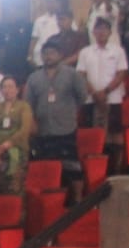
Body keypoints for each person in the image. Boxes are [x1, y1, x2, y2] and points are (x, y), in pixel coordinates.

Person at [24, 40, 90, 192]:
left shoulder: (72, 74)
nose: (48, 57)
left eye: (52, 53)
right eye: (45, 54)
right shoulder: (34, 78)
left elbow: (82, 96)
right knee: (46, 166)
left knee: (72, 166)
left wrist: (69, 111)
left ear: (60, 55)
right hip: (43, 129)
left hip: (66, 127)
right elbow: (28, 103)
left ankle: (78, 199)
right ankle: (51, 198)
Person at [0, 76, 34, 195]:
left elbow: (25, 129)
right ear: (1, 90)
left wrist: (6, 144)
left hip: (16, 151)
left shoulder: (24, 106)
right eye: (4, 87)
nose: (7, 90)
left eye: (11, 86)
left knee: (14, 187)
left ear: (17, 89)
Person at [77, 18, 129, 134]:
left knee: (114, 133)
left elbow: (122, 73)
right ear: (93, 32)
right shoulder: (85, 52)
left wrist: (105, 92)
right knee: (91, 134)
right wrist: (94, 93)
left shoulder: (118, 51)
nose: (101, 32)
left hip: (113, 98)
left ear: (110, 32)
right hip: (91, 98)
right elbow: (81, 75)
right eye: (98, 29)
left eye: (105, 29)